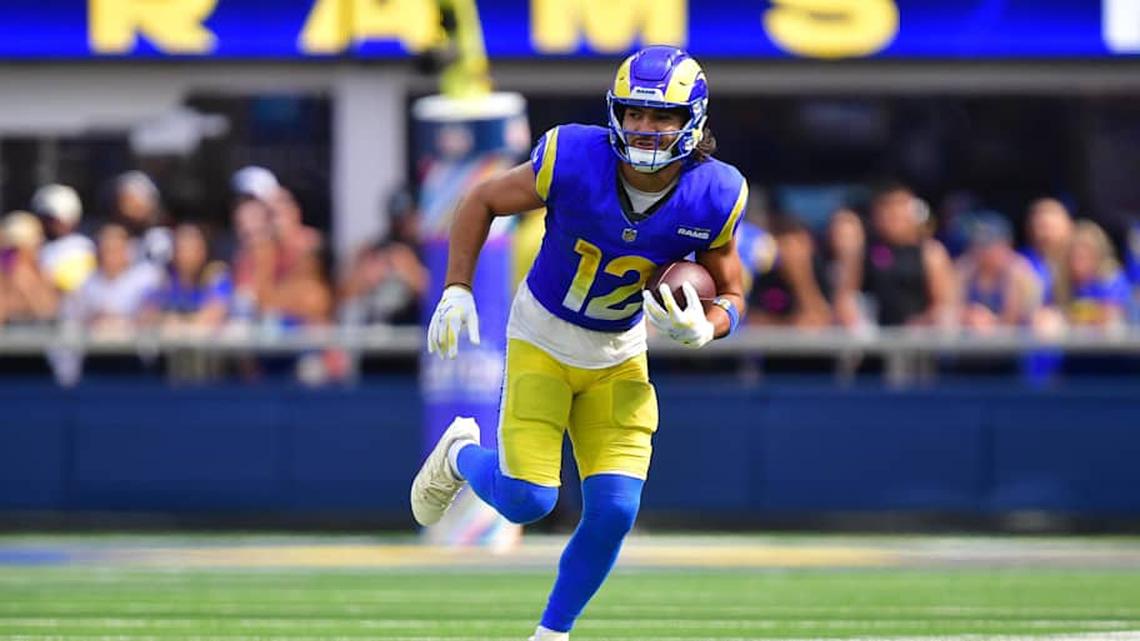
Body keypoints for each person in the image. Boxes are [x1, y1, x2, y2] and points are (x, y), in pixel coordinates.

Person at [410, 46, 748, 641]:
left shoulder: (716, 193)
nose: (644, 128)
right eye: (634, 113)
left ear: (692, 121)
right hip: (543, 334)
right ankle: (462, 451)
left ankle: (552, 633)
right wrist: (457, 286)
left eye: (661, 116)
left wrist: (708, 326)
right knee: (527, 501)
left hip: (619, 353)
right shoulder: (573, 155)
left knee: (616, 510)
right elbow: (482, 199)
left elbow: (733, 293)